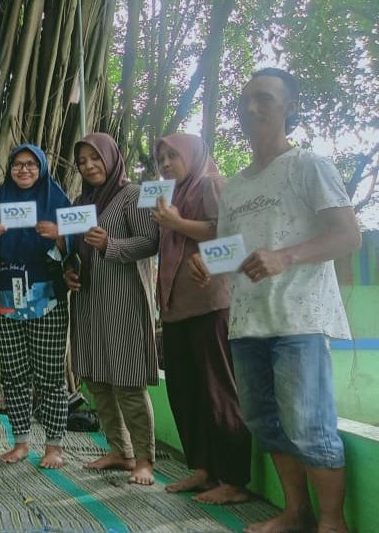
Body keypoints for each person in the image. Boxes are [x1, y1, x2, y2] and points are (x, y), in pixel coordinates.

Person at [191, 68, 360, 533]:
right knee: (265, 422)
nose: (251, 108)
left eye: (264, 98)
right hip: (248, 322)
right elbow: (232, 247)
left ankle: (331, 522)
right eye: (245, 100)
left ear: (289, 108)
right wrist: (208, 261)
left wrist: (287, 256)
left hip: (299, 319)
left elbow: (348, 235)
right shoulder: (238, 185)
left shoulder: (309, 165)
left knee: (310, 427)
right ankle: (295, 512)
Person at [150, 133, 251, 504]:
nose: (165, 163)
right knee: (186, 391)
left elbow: (228, 233)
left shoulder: (211, 183)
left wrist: (177, 223)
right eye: (161, 157)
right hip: (176, 308)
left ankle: (234, 479)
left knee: (218, 390)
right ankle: (204, 470)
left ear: (192, 155)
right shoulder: (170, 197)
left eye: (172, 156)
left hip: (211, 303)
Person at [64, 132, 159, 485]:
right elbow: (72, 249)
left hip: (123, 300)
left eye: (94, 158)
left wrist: (111, 244)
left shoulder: (132, 195)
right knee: (97, 378)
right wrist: (69, 270)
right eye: (82, 161)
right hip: (88, 300)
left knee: (128, 381)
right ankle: (120, 450)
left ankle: (144, 459)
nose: (88, 166)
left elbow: (151, 241)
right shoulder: (80, 203)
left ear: (111, 157)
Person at [0, 144, 72, 467]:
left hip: (47, 301)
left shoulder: (55, 201)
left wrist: (59, 236)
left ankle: (54, 445)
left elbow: (75, 249)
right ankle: (21, 442)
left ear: (41, 168)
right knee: (13, 374)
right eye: (17, 164)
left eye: (30, 164)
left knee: (50, 375)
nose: (24, 170)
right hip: (6, 302)